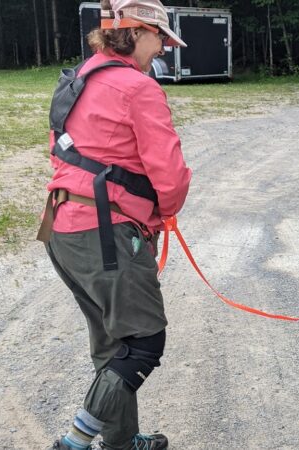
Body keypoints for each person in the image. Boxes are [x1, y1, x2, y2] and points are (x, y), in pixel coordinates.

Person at [40, 0, 191, 449]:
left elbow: (64, 149)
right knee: (144, 343)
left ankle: (121, 443)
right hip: (105, 233)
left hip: (61, 227)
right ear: (137, 32)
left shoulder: (79, 78)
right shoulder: (138, 87)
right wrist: (163, 211)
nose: (162, 48)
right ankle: (74, 442)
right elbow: (171, 175)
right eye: (160, 38)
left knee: (113, 345)